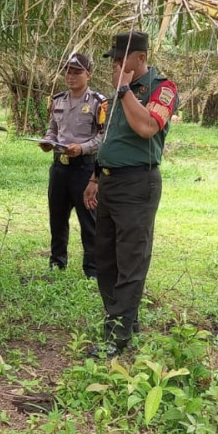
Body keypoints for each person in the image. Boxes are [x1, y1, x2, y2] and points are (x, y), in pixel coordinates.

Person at [83, 31, 177, 356]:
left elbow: (147, 127)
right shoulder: (118, 95)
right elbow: (111, 138)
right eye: (115, 62)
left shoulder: (161, 89)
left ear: (140, 58)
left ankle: (116, 336)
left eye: (123, 61)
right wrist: (95, 178)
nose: (118, 67)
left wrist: (124, 91)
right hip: (109, 182)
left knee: (131, 259)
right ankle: (123, 317)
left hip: (138, 183)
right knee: (105, 259)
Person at [38, 53, 107, 278]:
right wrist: (48, 141)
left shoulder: (98, 102)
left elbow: (103, 137)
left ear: (89, 74)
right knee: (57, 218)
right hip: (59, 168)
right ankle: (57, 263)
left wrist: (82, 148)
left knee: (89, 221)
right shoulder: (57, 100)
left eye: (77, 72)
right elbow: (53, 130)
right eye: (68, 71)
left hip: (84, 170)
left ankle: (93, 269)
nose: (71, 76)